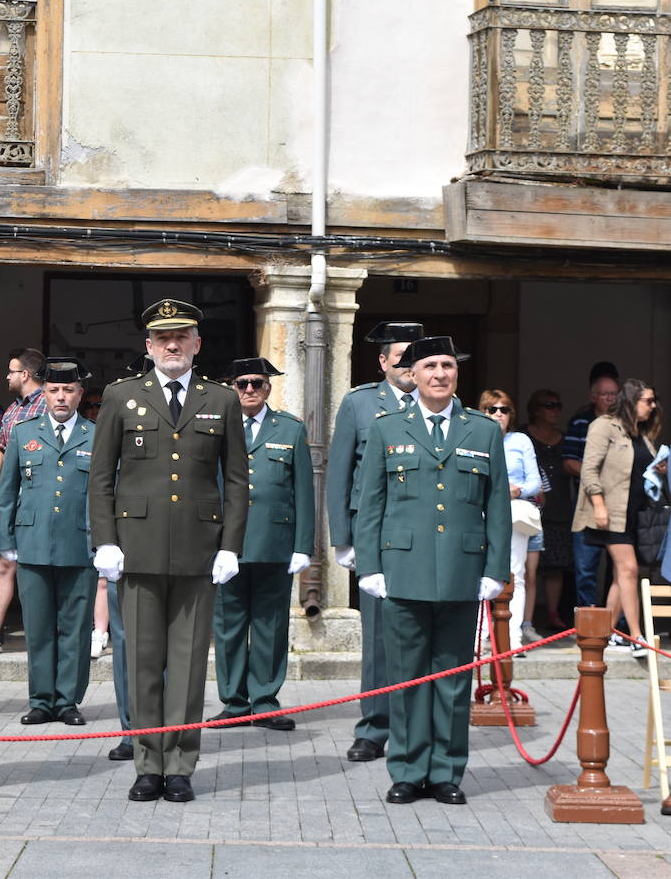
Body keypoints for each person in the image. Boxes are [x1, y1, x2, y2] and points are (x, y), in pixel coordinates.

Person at [89, 298, 248, 804]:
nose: (172, 345)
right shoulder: (121, 396)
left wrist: (230, 546)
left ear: (197, 344)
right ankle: (147, 762)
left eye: (181, 337)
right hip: (136, 550)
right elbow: (100, 479)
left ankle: (180, 764)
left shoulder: (220, 399)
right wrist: (106, 540)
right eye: (163, 338)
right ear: (149, 346)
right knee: (142, 661)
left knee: (186, 664)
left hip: (199, 553)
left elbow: (238, 481)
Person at [354, 335, 509, 806]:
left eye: (448, 365)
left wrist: (495, 567)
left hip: (462, 572)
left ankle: (445, 772)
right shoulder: (386, 429)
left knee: (454, 679)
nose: (440, 374)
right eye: (431, 366)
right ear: (413, 375)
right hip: (402, 570)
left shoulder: (481, 430)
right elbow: (369, 504)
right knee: (406, 678)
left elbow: (497, 503)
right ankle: (406, 769)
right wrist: (370, 565)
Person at [325, 320, 424, 764]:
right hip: (377, 536)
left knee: (423, 635)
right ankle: (375, 727)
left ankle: (417, 727)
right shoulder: (362, 403)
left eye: (414, 356)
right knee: (380, 639)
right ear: (382, 362)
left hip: (425, 536)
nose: (408, 366)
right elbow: (340, 472)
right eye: (399, 357)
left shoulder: (442, 404)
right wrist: (342, 540)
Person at [211, 357, 313, 731]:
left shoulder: (290, 429)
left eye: (257, 383)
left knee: (270, 625)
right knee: (229, 624)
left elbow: (304, 490)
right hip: (227, 544)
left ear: (268, 387)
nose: (250, 389)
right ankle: (234, 702)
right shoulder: (217, 429)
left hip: (274, 542)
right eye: (242, 384)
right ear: (232, 388)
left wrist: (304, 545)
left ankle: (266, 701)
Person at [0, 357, 97, 726]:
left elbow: (104, 495)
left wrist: (104, 543)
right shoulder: (24, 432)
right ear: (45, 392)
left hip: (79, 544)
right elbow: (6, 492)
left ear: (79, 394)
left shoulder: (96, 433)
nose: (60, 397)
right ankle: (41, 699)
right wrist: (5, 540)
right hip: (32, 542)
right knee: (38, 628)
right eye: (53, 390)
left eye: (68, 390)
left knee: (75, 628)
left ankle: (68, 700)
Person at [571, 378, 661, 658]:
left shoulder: (640, 432)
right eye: (648, 400)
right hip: (609, 513)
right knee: (629, 570)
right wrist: (598, 504)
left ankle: (606, 633)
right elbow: (589, 469)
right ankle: (636, 636)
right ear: (632, 401)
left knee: (620, 576)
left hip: (634, 515)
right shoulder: (603, 426)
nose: (653, 406)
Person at [0, 347, 46, 656]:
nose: (7, 376)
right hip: (11, 498)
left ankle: (42, 631)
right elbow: (0, 450)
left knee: (37, 566)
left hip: (39, 497)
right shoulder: (14, 410)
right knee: (4, 563)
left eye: (11, 371)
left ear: (25, 374)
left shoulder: (48, 404)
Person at [478, 389, 541, 652]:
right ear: (482, 412)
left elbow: (535, 483)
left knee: (515, 574)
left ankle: (512, 638)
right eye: (492, 409)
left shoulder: (521, 441)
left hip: (514, 512)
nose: (498, 415)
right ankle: (479, 636)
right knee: (477, 572)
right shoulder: (474, 436)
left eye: (504, 410)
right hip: (479, 512)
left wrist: (516, 490)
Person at [564, 363, 621, 608]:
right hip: (587, 504)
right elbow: (569, 462)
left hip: (619, 504)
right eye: (605, 394)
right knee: (585, 568)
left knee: (619, 568)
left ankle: (616, 625)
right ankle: (586, 620)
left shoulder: (625, 424)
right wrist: (596, 479)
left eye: (614, 394)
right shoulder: (580, 422)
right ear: (593, 397)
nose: (610, 398)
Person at [521, 389, 573, 632]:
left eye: (558, 405)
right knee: (525, 568)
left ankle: (552, 614)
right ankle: (523, 617)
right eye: (549, 405)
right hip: (527, 510)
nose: (555, 410)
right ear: (536, 409)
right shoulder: (522, 437)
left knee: (555, 567)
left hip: (558, 509)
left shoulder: (564, 440)